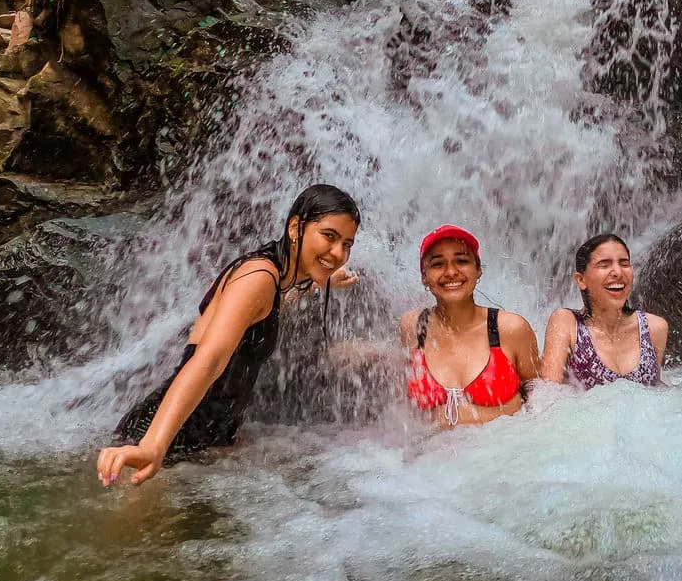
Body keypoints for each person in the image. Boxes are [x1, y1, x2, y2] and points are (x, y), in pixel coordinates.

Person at [96, 184, 361, 487]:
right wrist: (152, 445)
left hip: (208, 440)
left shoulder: (275, 279)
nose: (338, 252)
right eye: (329, 236)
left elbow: (268, 306)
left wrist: (320, 283)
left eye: (347, 244)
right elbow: (208, 360)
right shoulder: (259, 277)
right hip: (166, 436)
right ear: (295, 228)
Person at [402, 225, 538, 428]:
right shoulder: (413, 326)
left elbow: (542, 401)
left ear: (478, 270)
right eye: (438, 264)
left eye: (462, 261)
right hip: (430, 455)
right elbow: (408, 412)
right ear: (424, 276)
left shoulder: (511, 329)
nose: (451, 272)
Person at [540, 233, 668, 388]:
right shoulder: (567, 323)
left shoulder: (655, 327)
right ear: (581, 280)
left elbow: (658, 396)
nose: (618, 272)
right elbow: (547, 395)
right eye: (604, 265)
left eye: (624, 264)